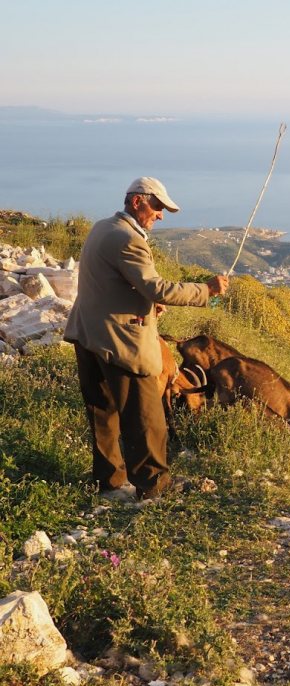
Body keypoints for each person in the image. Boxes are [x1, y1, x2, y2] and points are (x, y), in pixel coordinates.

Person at [64, 177, 229, 499]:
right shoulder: (129, 239)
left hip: (89, 333)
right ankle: (153, 488)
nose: (161, 215)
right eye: (158, 206)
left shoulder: (102, 227)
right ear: (138, 201)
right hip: (120, 342)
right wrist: (206, 290)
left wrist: (146, 304)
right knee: (147, 417)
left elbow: (111, 283)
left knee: (102, 412)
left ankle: (109, 483)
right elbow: (156, 286)